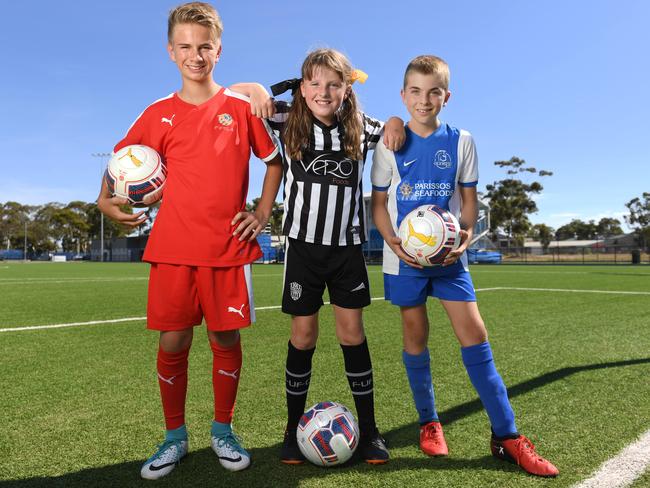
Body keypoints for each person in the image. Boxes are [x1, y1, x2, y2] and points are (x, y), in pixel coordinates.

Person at [97, 2, 283, 479]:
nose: (195, 55)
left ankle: (222, 430)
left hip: (226, 248)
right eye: (185, 46)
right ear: (170, 51)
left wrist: (262, 212)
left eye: (204, 47)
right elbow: (121, 163)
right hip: (172, 249)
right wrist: (105, 201)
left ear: (218, 50)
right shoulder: (157, 113)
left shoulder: (240, 109)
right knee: (174, 339)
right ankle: (174, 437)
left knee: (225, 336)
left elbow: (274, 162)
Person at [370, 55, 559, 477]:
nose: (424, 100)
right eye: (415, 92)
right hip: (406, 258)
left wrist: (465, 235)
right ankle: (429, 423)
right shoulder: (389, 143)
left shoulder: (462, 141)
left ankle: (507, 435)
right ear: (403, 96)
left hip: (451, 257)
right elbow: (379, 205)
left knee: (475, 335)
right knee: (416, 336)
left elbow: (469, 202)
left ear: (446, 96)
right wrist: (394, 242)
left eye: (433, 91)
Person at [233, 48, 404, 465]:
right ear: (302, 86)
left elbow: (398, 128)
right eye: (315, 83)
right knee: (303, 336)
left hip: (346, 249)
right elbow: (227, 94)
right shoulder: (287, 117)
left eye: (333, 84)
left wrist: (398, 120)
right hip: (303, 248)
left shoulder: (362, 127)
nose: (324, 92)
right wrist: (256, 88)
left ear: (347, 89)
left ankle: (370, 430)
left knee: (351, 334)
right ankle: (292, 430)